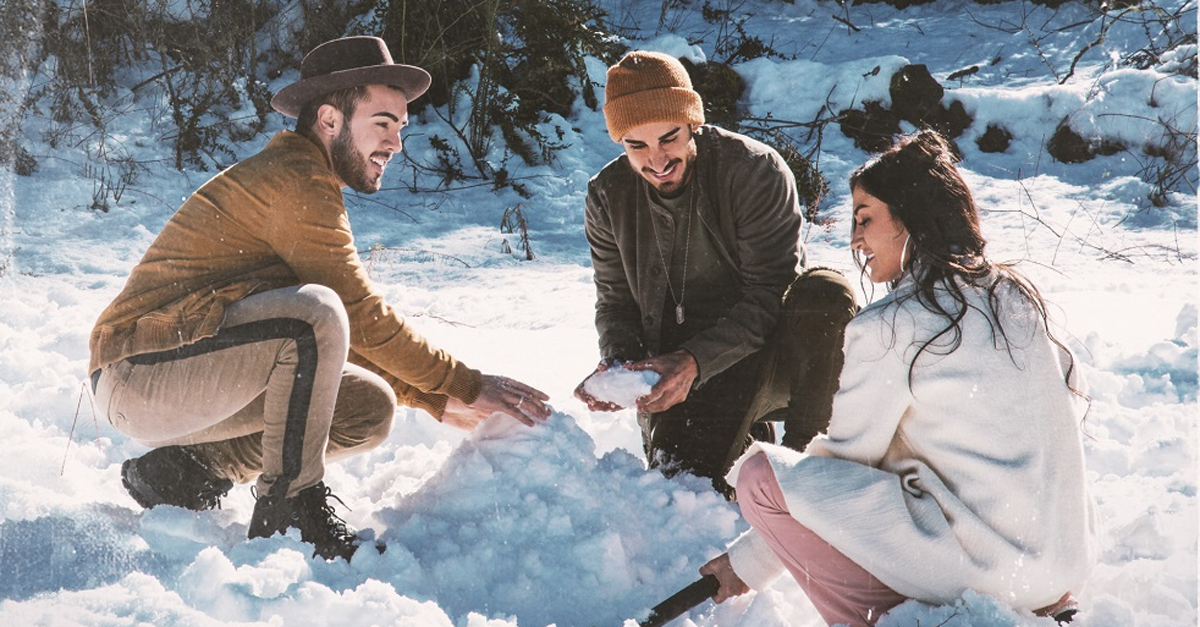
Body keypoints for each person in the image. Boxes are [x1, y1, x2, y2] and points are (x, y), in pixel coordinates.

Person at [88, 36, 550, 562]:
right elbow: (352, 314)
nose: (397, 143)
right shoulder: (294, 179)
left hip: (185, 376)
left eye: (402, 126)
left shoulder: (305, 178)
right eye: (382, 122)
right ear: (329, 120)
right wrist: (461, 382)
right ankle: (288, 513)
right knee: (316, 313)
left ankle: (189, 470)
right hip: (139, 371)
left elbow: (329, 342)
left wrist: (429, 398)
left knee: (366, 406)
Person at [699, 130, 1094, 626]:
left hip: (984, 569)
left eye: (866, 219)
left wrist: (747, 563)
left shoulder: (891, 323)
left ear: (910, 219)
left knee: (763, 479)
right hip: (1057, 566)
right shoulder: (1013, 297)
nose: (855, 240)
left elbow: (847, 460)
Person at [573, 50, 858, 495]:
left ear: (693, 124)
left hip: (770, 354)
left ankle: (810, 472)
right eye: (636, 145)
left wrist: (694, 362)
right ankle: (738, 440)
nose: (657, 159)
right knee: (683, 495)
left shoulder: (754, 171)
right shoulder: (607, 195)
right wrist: (621, 368)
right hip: (676, 375)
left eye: (669, 138)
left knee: (824, 292)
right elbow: (615, 301)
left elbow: (770, 294)